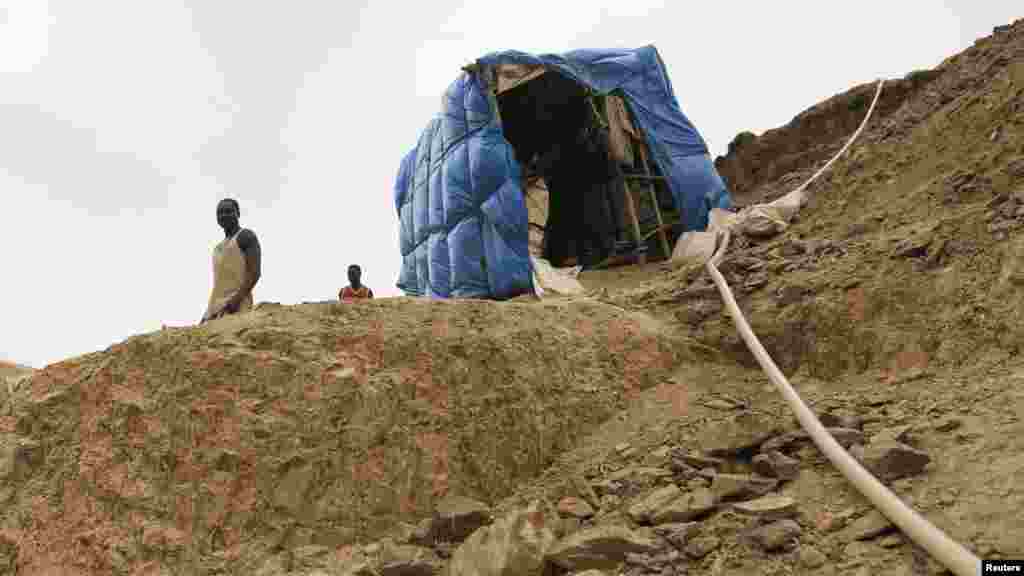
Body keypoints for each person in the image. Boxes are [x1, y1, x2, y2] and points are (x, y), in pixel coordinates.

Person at [201, 198, 262, 323]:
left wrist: (236, 300)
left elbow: (254, 273)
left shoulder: (245, 236)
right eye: (220, 212)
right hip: (215, 308)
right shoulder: (217, 248)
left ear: (238, 213)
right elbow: (220, 283)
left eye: (228, 211)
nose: (224, 215)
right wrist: (208, 312)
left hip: (237, 307)